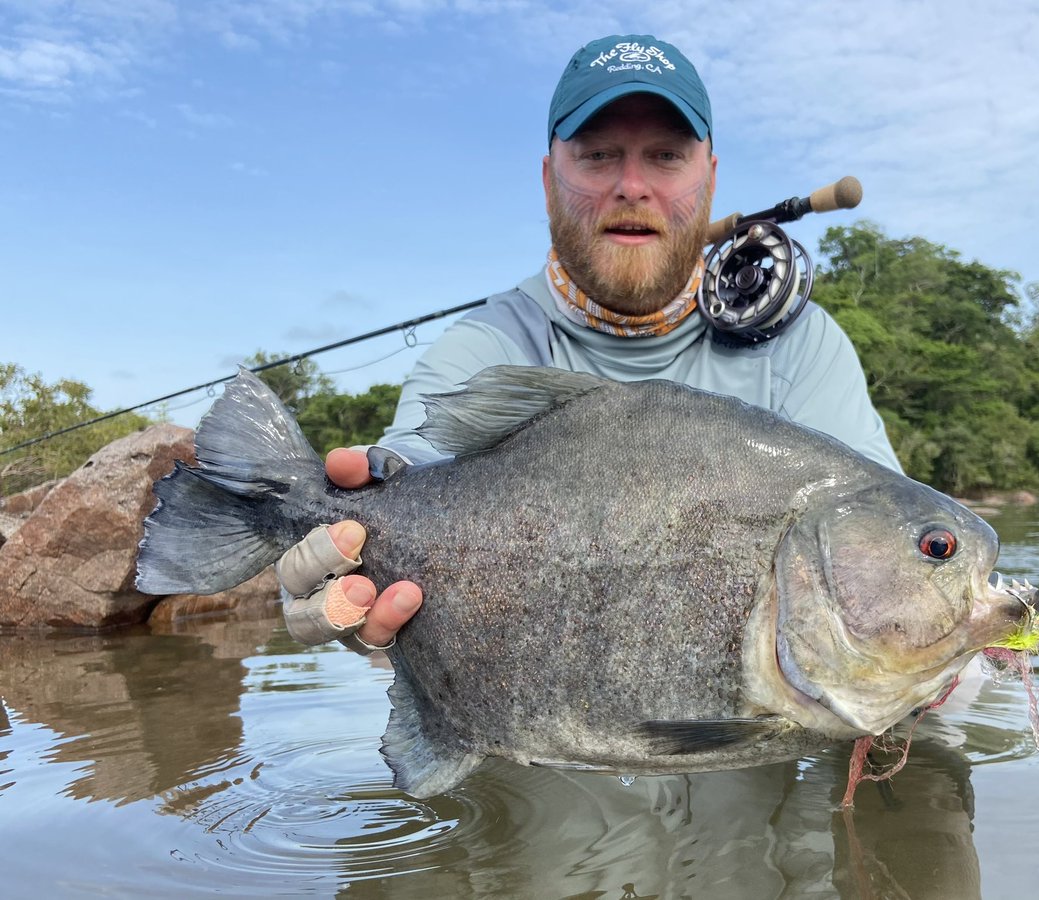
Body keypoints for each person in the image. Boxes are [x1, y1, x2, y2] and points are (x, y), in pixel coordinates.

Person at [274, 34, 902, 655]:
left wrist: (941, 669)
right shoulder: (482, 347)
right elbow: (408, 469)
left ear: (709, 180)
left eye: (665, 156)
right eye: (598, 155)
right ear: (549, 180)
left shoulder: (803, 348)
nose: (631, 186)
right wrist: (345, 570)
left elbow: (891, 551)